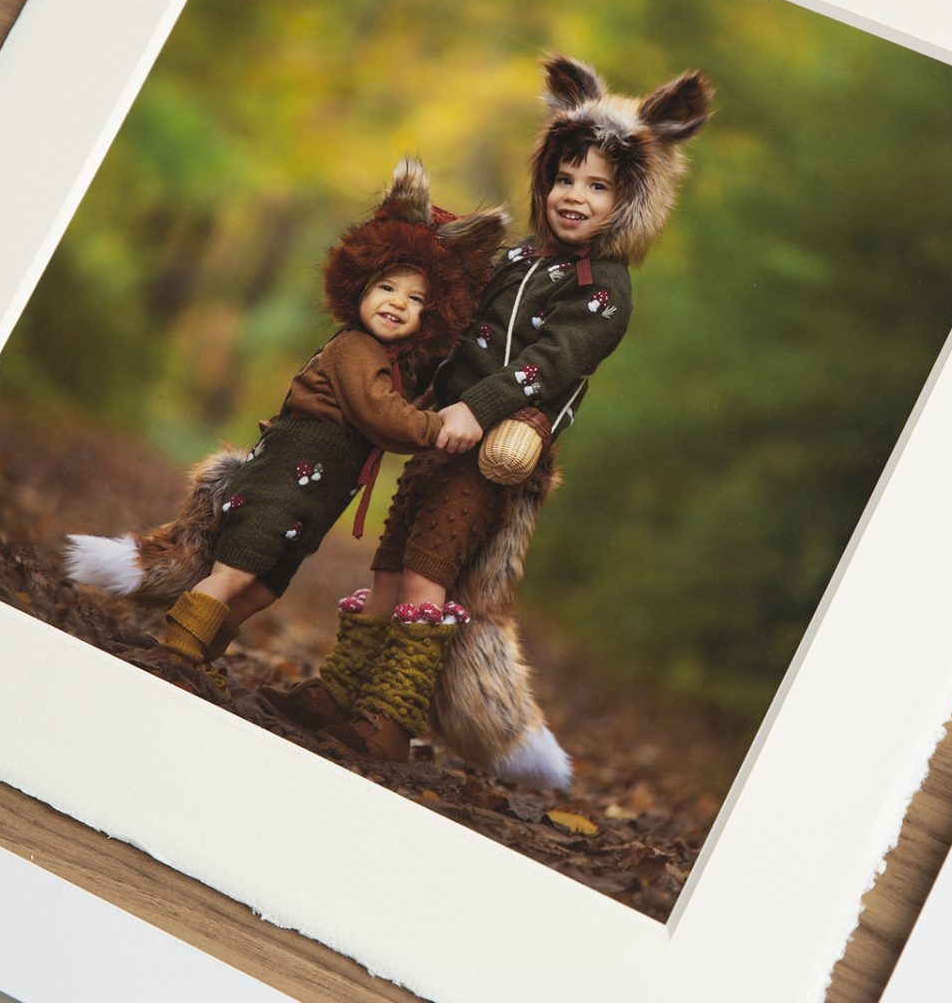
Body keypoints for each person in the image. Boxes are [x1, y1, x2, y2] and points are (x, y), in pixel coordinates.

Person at [267, 56, 713, 788]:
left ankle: (389, 717)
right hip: (440, 436)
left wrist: (478, 409)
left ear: (631, 201)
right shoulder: (520, 257)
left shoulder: (602, 290)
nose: (574, 196)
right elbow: (456, 322)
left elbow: (552, 361)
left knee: (428, 573)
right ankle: (340, 690)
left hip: (496, 452)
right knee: (389, 563)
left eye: (598, 186)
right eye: (565, 179)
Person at [62, 160, 507, 665]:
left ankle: (202, 652)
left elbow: (403, 398)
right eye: (387, 288)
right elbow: (385, 416)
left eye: (416, 299)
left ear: (428, 317)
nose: (398, 303)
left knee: (262, 590)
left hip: (312, 502)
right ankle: (179, 650)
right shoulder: (355, 350)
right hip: (278, 485)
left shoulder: (391, 363)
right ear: (361, 289)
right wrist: (438, 427)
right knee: (233, 573)